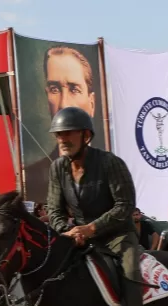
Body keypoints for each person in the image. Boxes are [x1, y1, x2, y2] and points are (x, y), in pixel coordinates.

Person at [45, 106, 146, 306]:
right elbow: (54, 210)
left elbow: (125, 206)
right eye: (59, 134)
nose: (62, 139)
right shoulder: (57, 168)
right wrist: (67, 231)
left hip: (117, 236)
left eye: (68, 133)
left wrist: (91, 229)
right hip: (77, 237)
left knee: (130, 270)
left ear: (86, 135)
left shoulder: (110, 163)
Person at [26, 46, 99, 202]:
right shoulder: (31, 178)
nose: (63, 104)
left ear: (91, 103)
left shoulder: (108, 167)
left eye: (74, 89)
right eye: (54, 89)